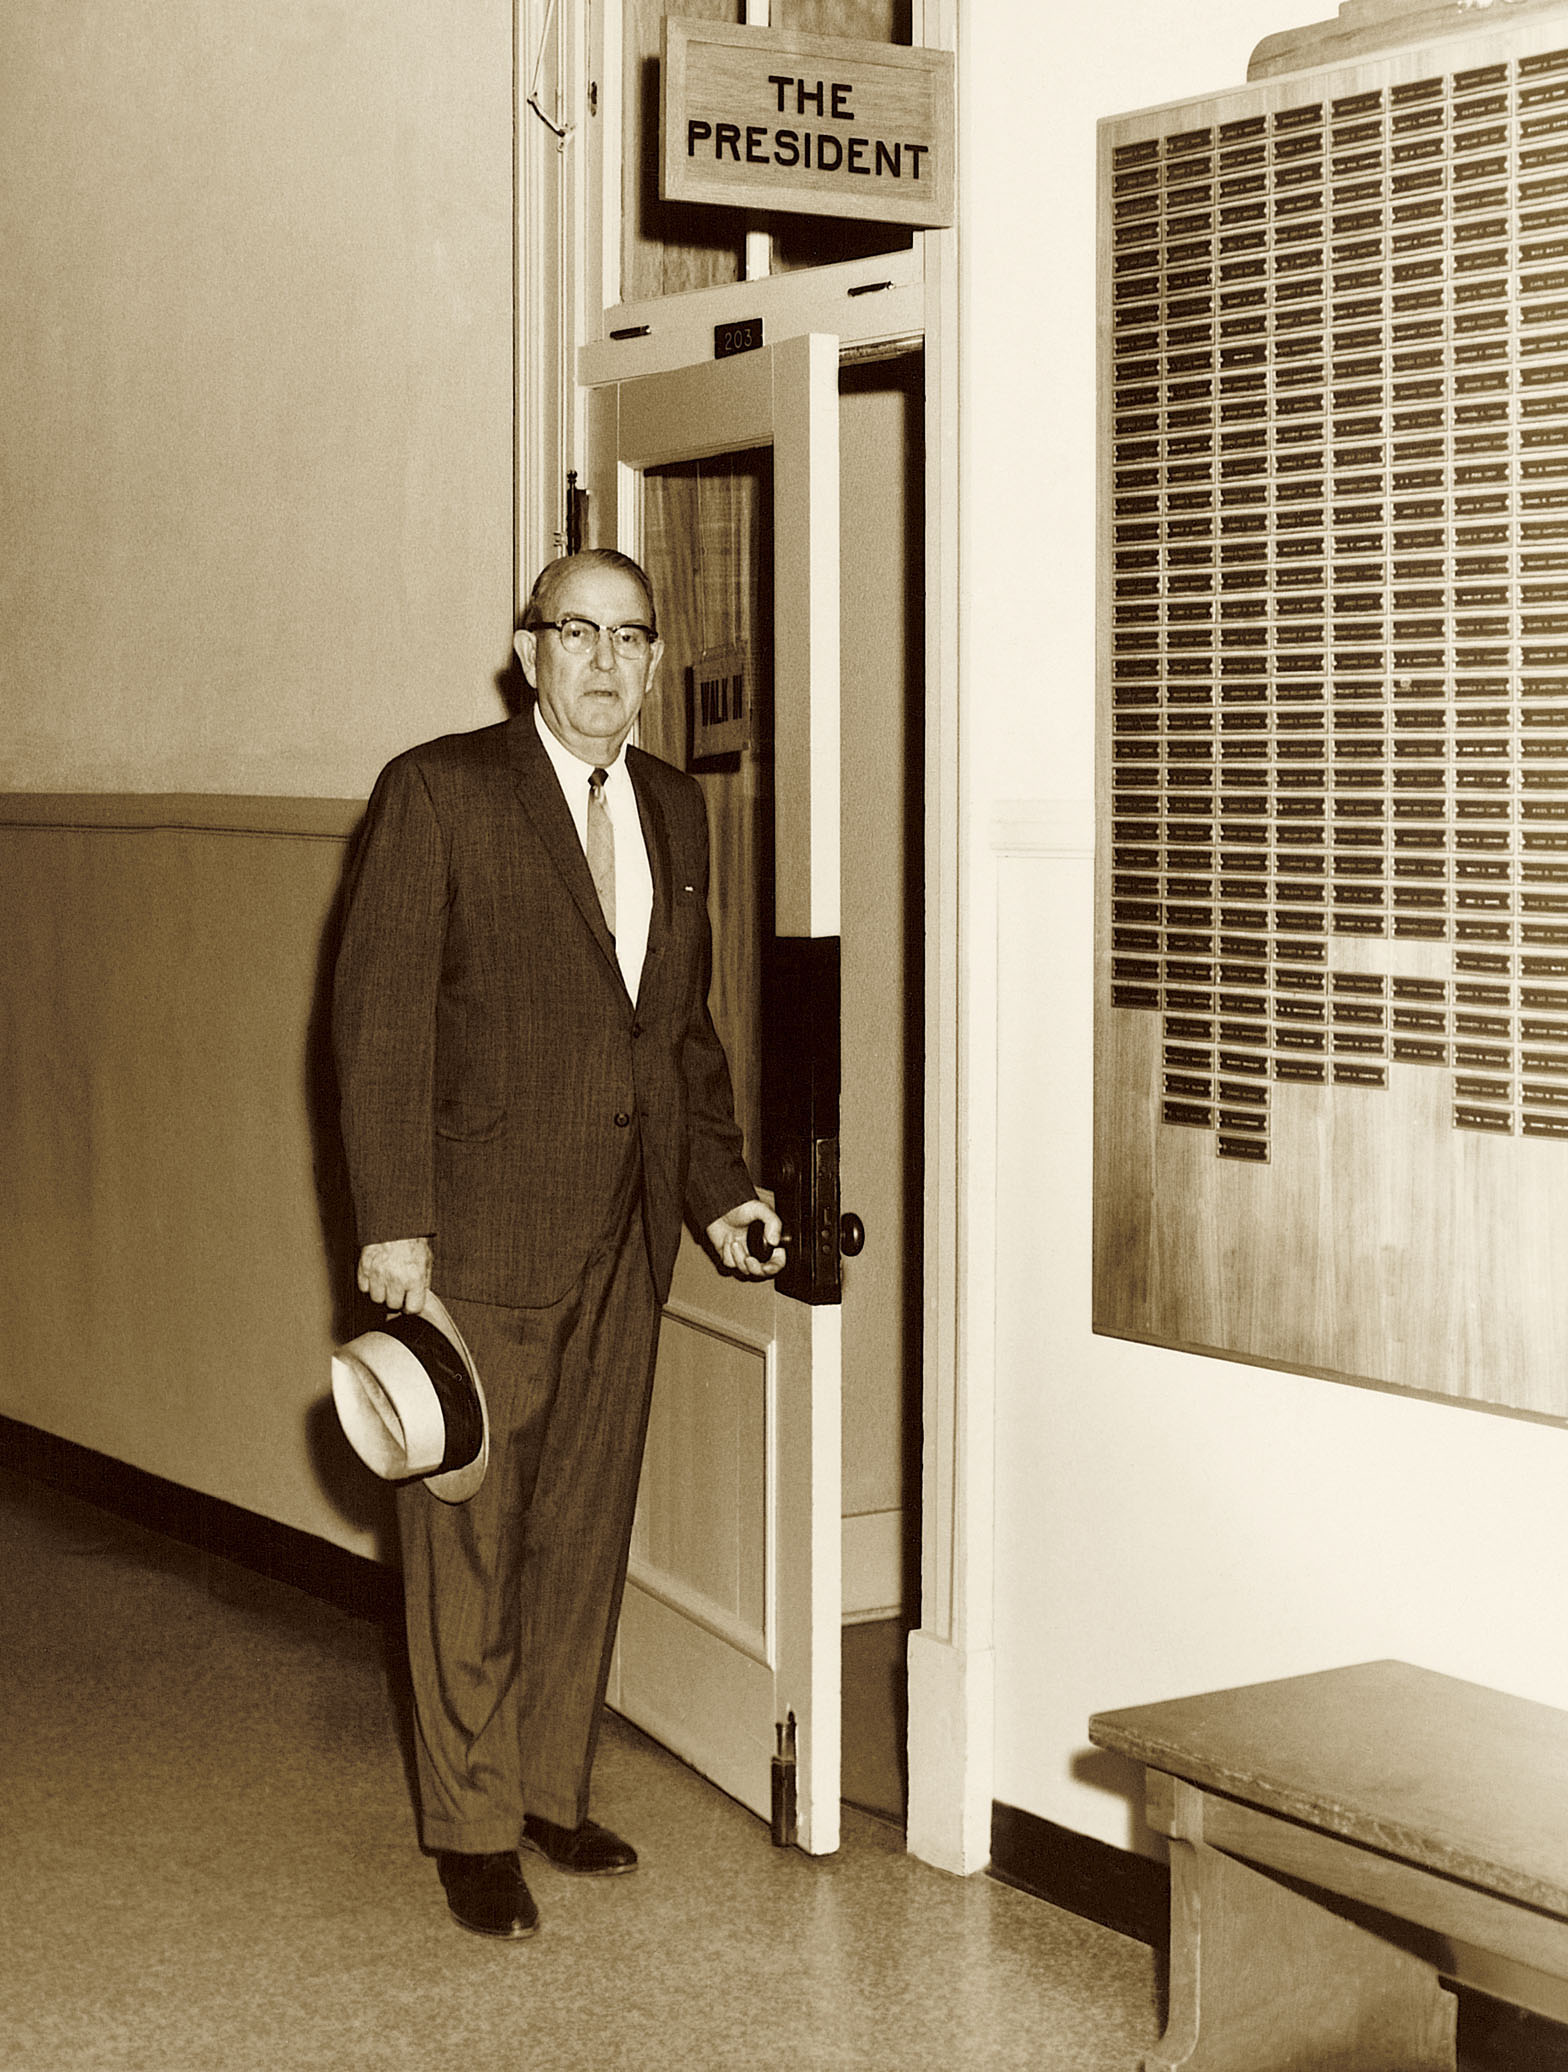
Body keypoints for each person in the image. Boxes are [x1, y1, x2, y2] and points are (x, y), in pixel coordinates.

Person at [332, 547, 784, 1940]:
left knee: (584, 1524)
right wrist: (395, 1223)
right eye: (574, 634)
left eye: (629, 638)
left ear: (655, 661)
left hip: (625, 1232)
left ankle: (546, 1785)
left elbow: (679, 1038)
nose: (603, 663)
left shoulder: (675, 810)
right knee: (469, 1524)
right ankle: (471, 1827)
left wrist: (721, 1189)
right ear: (529, 652)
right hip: (478, 1230)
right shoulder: (440, 791)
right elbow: (378, 1022)